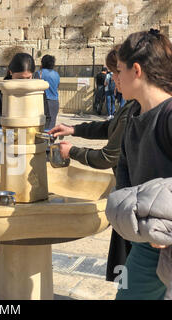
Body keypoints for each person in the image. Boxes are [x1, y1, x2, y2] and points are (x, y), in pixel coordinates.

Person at [48, 45, 134, 283]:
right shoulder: (128, 105)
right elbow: (109, 128)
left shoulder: (135, 110)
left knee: (128, 270)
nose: (113, 78)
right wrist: (74, 128)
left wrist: (71, 151)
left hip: (134, 203)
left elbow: (108, 157)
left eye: (116, 72)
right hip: (128, 198)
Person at [113, 29, 172, 299]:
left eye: (119, 70)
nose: (116, 79)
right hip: (148, 239)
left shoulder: (168, 115)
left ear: (136, 70)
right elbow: (124, 165)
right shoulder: (135, 115)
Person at [0, 52, 36, 164]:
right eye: (20, 78)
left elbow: (47, 119)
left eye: (28, 78)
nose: (24, 83)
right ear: (10, 72)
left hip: (29, 149)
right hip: (2, 150)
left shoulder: (37, 92)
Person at [34, 55, 60, 130]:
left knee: (42, 126)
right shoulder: (56, 74)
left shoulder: (39, 73)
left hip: (44, 102)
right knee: (51, 125)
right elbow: (57, 86)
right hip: (55, 102)